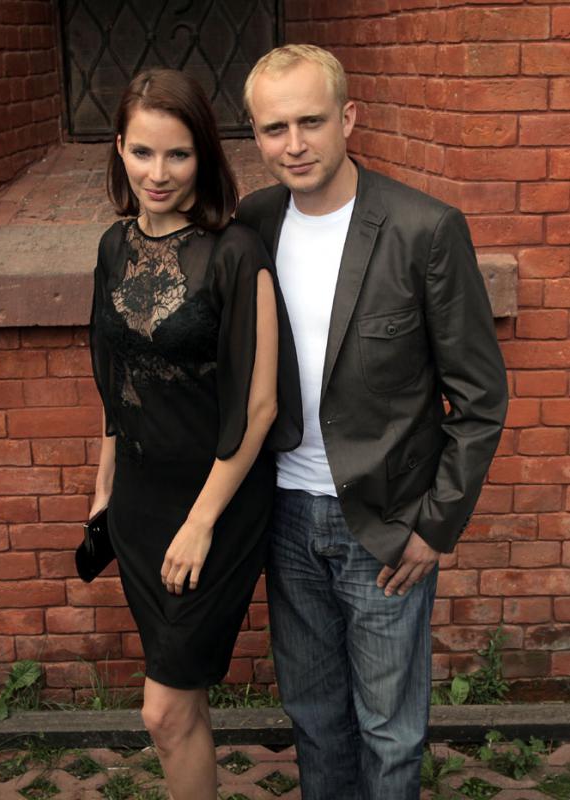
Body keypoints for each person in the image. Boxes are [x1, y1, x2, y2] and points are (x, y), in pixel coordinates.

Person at [237, 44, 508, 800]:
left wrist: (435, 526)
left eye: (311, 122)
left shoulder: (424, 229)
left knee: (390, 732)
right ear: (255, 135)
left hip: (386, 527)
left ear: (348, 118)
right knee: (314, 718)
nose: (294, 144)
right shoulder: (254, 223)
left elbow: (480, 397)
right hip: (283, 515)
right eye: (274, 128)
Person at [88, 67, 301, 800]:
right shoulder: (112, 247)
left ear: (203, 156)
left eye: (177, 154)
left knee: (163, 711)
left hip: (216, 503)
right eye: (143, 152)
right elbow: (115, 381)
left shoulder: (235, 252)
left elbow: (260, 407)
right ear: (120, 149)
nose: (159, 173)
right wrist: (103, 491)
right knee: (182, 708)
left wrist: (202, 522)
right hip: (140, 505)